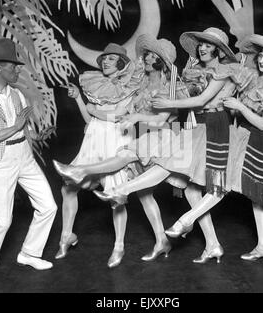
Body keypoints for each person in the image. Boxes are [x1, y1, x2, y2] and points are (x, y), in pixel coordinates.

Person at [55, 28, 240, 263]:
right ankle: (187, 242)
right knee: (158, 192)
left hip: (169, 135)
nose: (148, 59)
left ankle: (94, 179)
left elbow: (172, 116)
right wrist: (96, 110)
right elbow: (121, 109)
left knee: (188, 184)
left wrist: (153, 113)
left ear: (163, 62)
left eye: (154, 57)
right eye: (147, 56)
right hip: (150, 133)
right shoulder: (141, 83)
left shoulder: (172, 84)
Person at [166, 34, 263, 261]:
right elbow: (239, 109)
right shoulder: (252, 78)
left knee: (226, 185)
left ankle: (186, 220)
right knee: (256, 196)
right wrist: (232, 108)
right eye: (261, 55)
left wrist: (239, 108)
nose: (262, 60)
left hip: (262, 140)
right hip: (242, 135)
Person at [54, 35, 184, 266]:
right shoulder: (113, 85)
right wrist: (80, 102)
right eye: (104, 58)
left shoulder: (135, 87)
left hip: (119, 140)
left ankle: (120, 246)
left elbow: (120, 117)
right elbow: (91, 120)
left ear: (121, 63)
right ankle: (66, 235)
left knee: (121, 194)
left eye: (112, 59)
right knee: (69, 189)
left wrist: (97, 111)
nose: (105, 62)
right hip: (95, 140)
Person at [0, 38, 58, 292]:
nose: (18, 70)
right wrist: (16, 127)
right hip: (1, 160)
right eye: (13, 67)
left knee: (48, 206)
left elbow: (22, 129)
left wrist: (35, 135)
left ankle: (29, 252)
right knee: (2, 220)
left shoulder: (16, 93)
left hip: (24, 155)